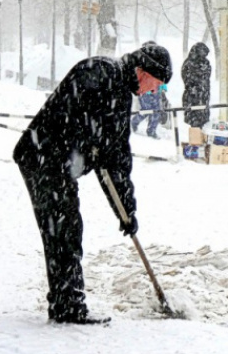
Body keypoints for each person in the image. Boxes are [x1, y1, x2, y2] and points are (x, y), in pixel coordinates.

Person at [13, 42, 172, 325]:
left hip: (57, 164)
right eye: (157, 84)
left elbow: (116, 158)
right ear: (144, 71)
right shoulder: (100, 73)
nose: (154, 91)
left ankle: (67, 303)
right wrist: (92, 145)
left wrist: (126, 210)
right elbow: (78, 121)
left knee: (67, 229)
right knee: (63, 230)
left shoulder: (119, 92)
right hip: (43, 158)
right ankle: (67, 307)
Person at [182, 43, 211, 129]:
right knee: (195, 120)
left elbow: (207, 77)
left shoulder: (205, 62)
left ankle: (199, 138)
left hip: (202, 95)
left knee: (203, 121)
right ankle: (195, 139)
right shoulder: (189, 63)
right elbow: (187, 78)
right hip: (193, 95)